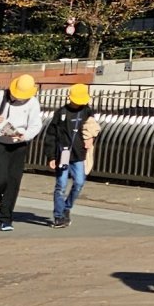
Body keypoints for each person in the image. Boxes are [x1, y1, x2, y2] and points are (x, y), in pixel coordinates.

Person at [0, 74, 46, 232]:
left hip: (19, 145)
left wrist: (25, 135)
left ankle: (5, 219)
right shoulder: (0, 96)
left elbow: (35, 125)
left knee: (13, 183)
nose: (19, 98)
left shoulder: (33, 102)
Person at [49, 82, 102, 228]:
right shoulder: (61, 113)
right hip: (63, 153)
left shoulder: (86, 111)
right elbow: (51, 134)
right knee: (61, 185)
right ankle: (59, 216)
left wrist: (91, 138)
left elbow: (93, 129)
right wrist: (51, 156)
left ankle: (67, 207)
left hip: (79, 154)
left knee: (79, 182)